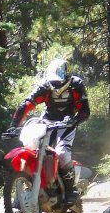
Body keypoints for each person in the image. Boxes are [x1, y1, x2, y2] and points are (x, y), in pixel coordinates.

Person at [10, 58, 90, 204]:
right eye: (54, 81)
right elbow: (26, 104)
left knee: (62, 153)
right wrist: (13, 126)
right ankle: (22, 193)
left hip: (67, 123)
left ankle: (71, 190)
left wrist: (75, 120)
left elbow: (85, 111)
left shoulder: (76, 85)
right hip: (46, 121)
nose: (56, 84)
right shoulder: (45, 85)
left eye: (59, 81)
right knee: (32, 149)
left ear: (67, 77)